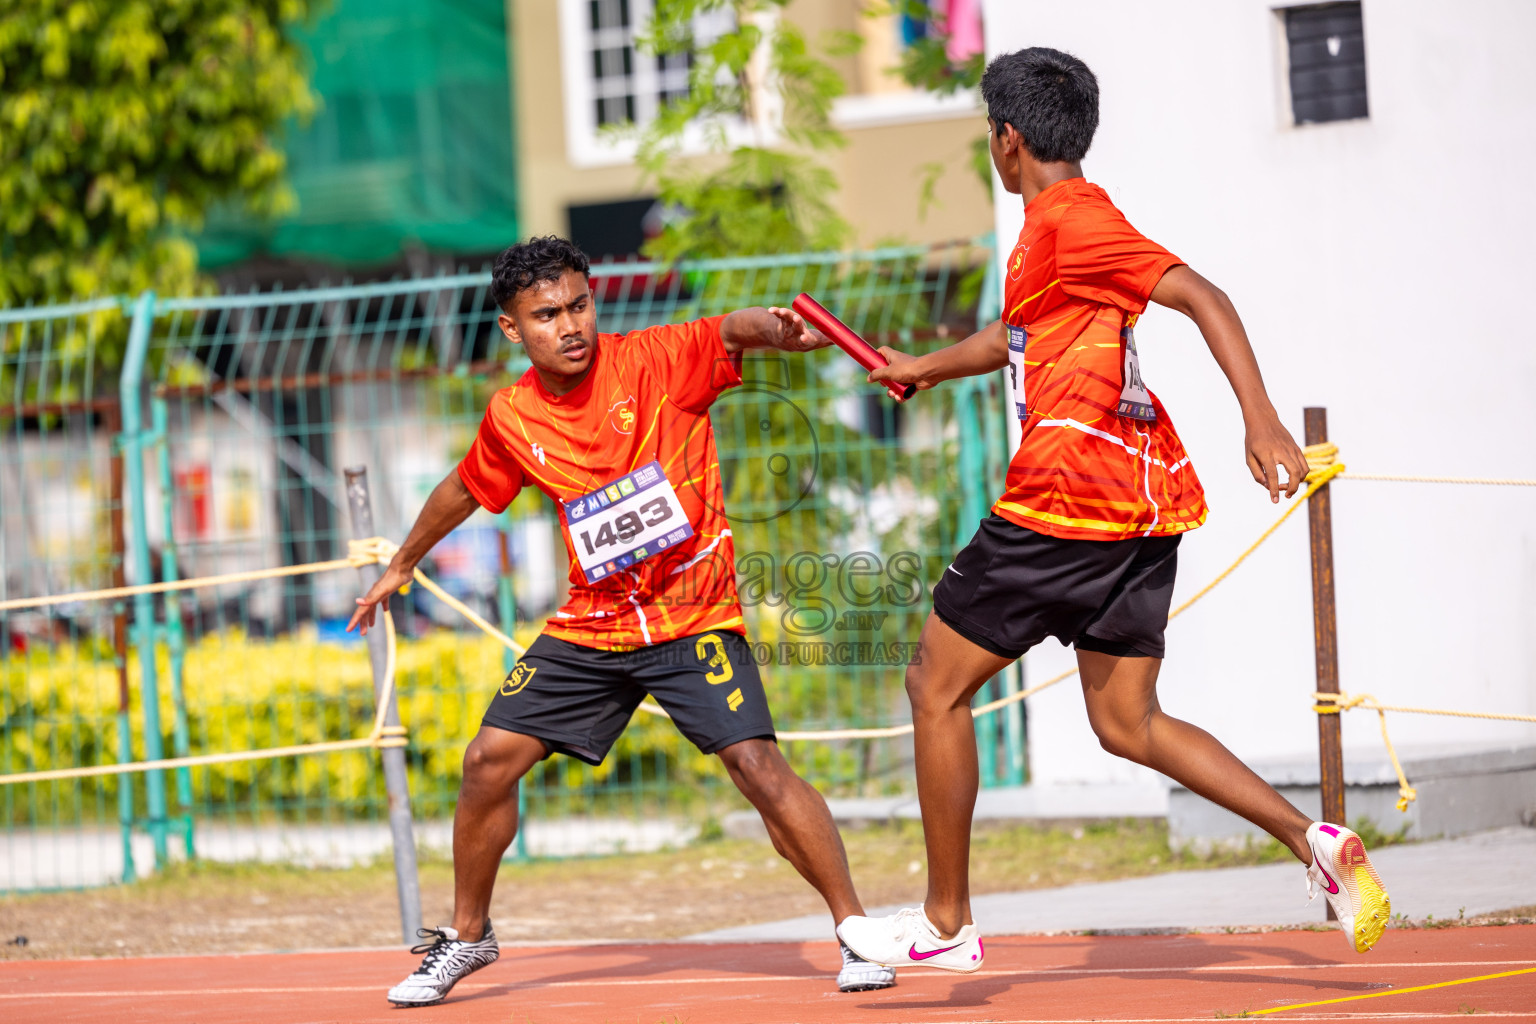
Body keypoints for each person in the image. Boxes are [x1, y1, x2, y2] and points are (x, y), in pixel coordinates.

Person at [835, 47, 1390, 972]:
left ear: (1006, 141)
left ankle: (944, 922)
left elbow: (1202, 295)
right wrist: (924, 366)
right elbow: (1018, 332)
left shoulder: (1073, 223)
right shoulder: (1052, 235)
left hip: (1069, 499)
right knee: (1127, 723)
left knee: (934, 684)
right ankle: (1314, 844)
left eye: (988, 136)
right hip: (1140, 504)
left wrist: (1260, 421)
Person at [348, 236, 896, 1005]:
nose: (569, 326)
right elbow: (465, 487)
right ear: (513, 331)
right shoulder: (512, 415)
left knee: (758, 767)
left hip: (692, 615)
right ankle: (468, 939)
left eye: (579, 305)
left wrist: (779, 328)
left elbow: (731, 329)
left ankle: (854, 931)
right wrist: (403, 562)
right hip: (594, 627)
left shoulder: (657, 359)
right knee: (486, 762)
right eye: (546, 316)